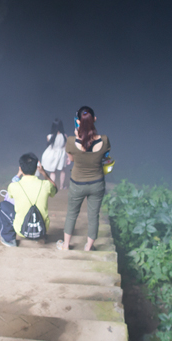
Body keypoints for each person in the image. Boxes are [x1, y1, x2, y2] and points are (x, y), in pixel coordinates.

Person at [58, 106, 110, 252]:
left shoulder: (71, 141)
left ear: (78, 122)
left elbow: (72, 159)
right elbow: (105, 156)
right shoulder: (105, 140)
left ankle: (66, 245)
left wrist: (78, 136)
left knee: (72, 213)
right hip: (97, 184)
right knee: (93, 216)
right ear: (95, 119)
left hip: (77, 184)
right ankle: (89, 247)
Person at [0, 152, 57, 247]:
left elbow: (9, 197)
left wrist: (18, 174)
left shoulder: (14, 186)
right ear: (37, 168)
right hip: (41, 229)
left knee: (3, 206)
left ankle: (9, 239)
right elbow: (55, 189)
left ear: (20, 168)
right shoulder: (46, 185)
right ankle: (41, 237)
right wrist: (44, 173)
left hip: (22, 230)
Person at [40, 118, 68, 190]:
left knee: (53, 172)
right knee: (62, 171)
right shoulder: (64, 136)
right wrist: (67, 156)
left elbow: (50, 147)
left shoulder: (49, 136)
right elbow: (65, 146)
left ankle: (52, 186)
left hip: (53, 155)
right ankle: (61, 186)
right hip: (62, 154)